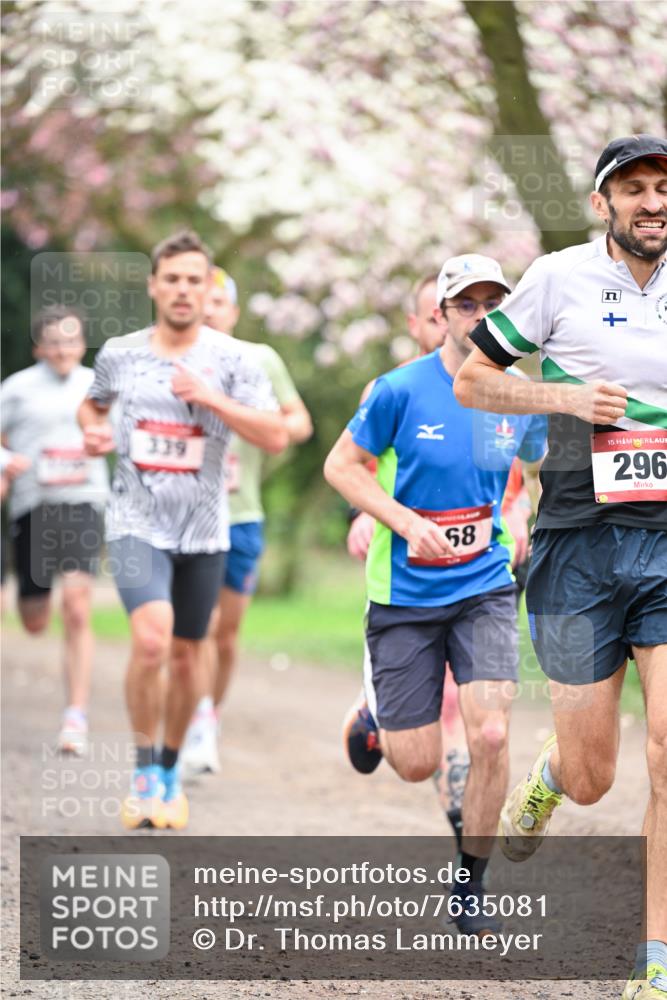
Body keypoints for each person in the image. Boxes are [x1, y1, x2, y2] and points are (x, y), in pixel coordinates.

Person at [453, 135, 667, 999]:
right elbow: (473, 382)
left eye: (662, 187)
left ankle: (654, 960)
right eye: (634, 189)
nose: (652, 202)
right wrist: (565, 396)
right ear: (602, 204)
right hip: (578, 544)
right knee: (593, 775)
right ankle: (550, 777)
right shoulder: (556, 277)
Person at [324, 254, 547, 935]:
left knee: (489, 729)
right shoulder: (398, 390)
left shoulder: (516, 393)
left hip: (481, 584)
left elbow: (532, 473)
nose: (480, 317)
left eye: (492, 305)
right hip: (404, 595)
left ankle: (470, 881)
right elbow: (343, 466)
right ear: (440, 316)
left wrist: (516, 516)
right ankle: (375, 712)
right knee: (415, 760)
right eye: (466, 305)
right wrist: (402, 521)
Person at [78, 231, 288, 830]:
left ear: (208, 287)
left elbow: (274, 434)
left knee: (188, 651)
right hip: (136, 523)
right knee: (151, 641)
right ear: (153, 285)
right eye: (171, 278)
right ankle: (143, 769)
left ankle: (170, 770)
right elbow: (92, 406)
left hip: (203, 530)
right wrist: (93, 435)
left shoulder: (233, 359)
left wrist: (210, 400)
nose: (182, 290)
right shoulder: (121, 353)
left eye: (194, 279)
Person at [180, 267, 313, 776]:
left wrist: (262, 429)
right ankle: (194, 722)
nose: (209, 308)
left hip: (242, 514)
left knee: (226, 634)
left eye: (219, 301)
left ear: (233, 311)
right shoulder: (173, 361)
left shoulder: (259, 359)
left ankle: (208, 715)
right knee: (200, 627)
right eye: (202, 299)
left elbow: (299, 422)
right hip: (187, 516)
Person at [1, 305, 109, 754]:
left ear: (82, 345)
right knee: (34, 619)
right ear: (39, 347)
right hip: (34, 508)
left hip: (85, 502)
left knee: (79, 605)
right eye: (55, 341)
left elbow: (123, 431)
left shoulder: (98, 386)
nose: (63, 349)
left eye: (71, 340)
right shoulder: (17, 389)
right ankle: (32, 606)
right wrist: (8, 463)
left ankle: (75, 717)